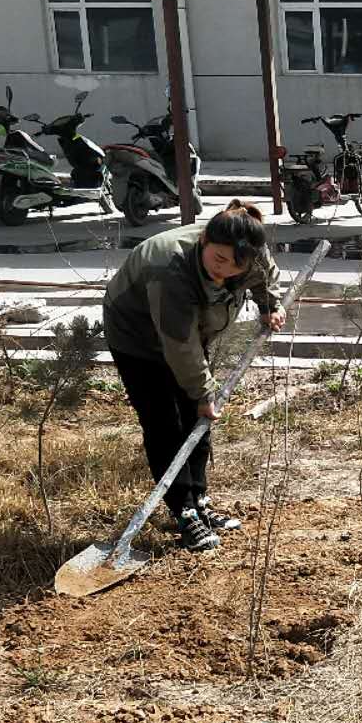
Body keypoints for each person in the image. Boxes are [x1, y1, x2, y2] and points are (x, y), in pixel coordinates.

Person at [102, 201, 284, 552]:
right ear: (203, 240)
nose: (224, 270)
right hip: (137, 334)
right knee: (164, 422)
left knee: (196, 419)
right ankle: (183, 511)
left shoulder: (249, 252)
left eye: (236, 265)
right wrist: (203, 393)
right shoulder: (169, 268)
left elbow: (265, 276)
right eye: (219, 259)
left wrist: (268, 305)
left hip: (187, 333)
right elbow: (179, 344)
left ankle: (199, 500)